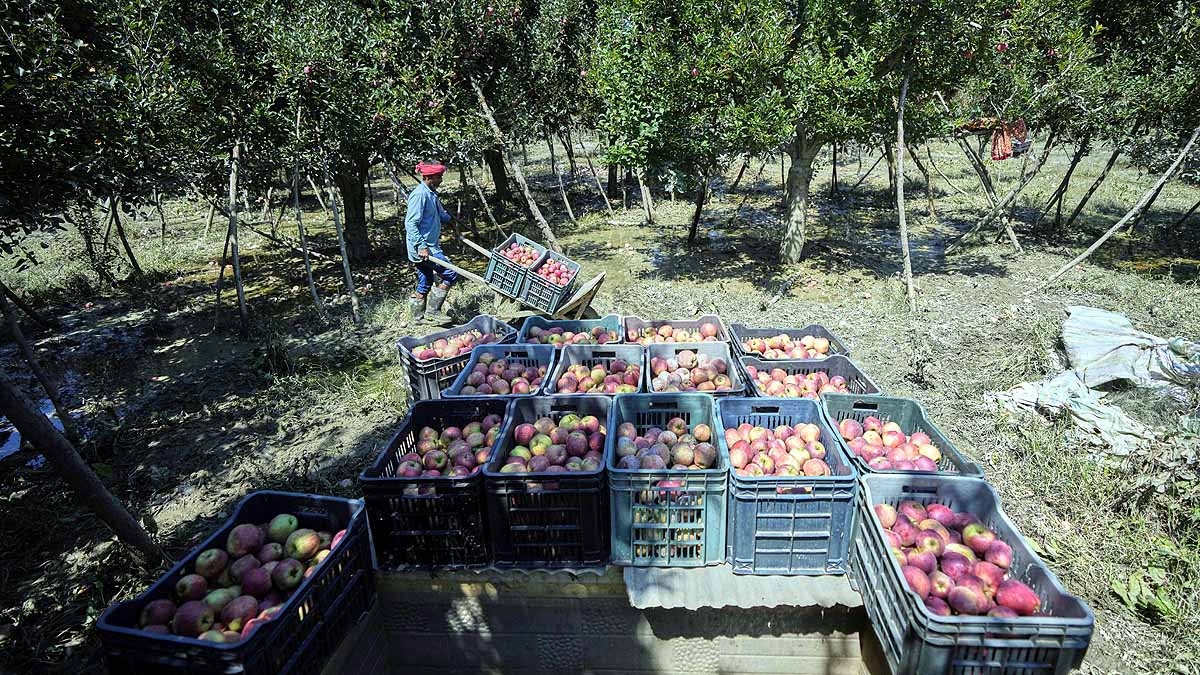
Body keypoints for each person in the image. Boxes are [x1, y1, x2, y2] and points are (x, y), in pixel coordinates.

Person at [406, 161, 457, 324]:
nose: (441, 179)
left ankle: (417, 318)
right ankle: (433, 312)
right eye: (439, 177)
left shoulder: (431, 193)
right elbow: (410, 223)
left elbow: (440, 213)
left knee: (426, 280)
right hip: (423, 248)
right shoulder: (420, 195)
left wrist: (450, 220)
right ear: (429, 177)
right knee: (451, 273)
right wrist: (422, 246)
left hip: (428, 246)